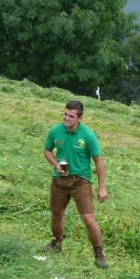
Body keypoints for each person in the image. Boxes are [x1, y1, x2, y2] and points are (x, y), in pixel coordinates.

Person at [42, 100, 108, 269]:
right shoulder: (55, 131)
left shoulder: (88, 135)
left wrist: (102, 188)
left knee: (88, 218)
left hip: (81, 181)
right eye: (65, 114)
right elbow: (47, 150)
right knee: (56, 214)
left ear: (80, 118)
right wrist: (56, 164)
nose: (66, 118)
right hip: (59, 179)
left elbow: (99, 162)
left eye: (71, 116)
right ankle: (56, 243)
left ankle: (99, 254)